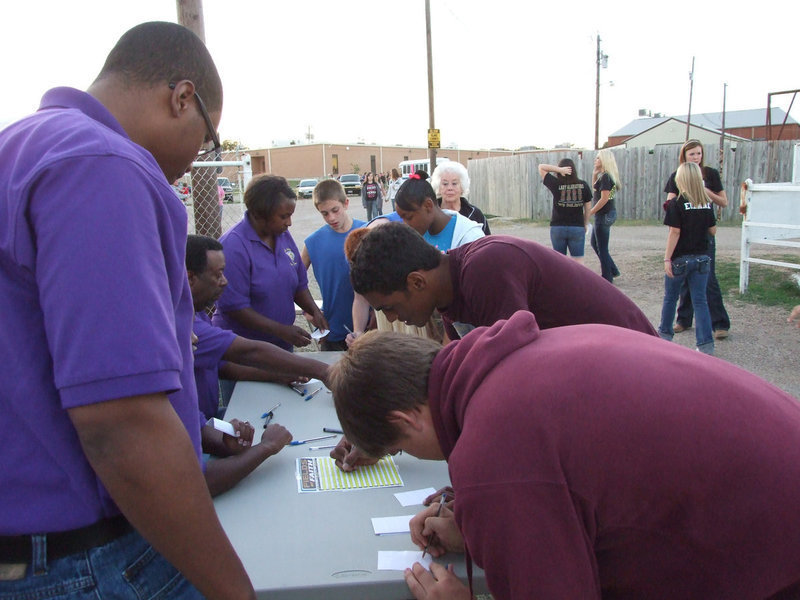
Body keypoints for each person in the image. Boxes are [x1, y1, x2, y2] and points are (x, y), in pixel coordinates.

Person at [0, 21, 254, 599]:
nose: (197, 160)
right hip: (79, 555)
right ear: (182, 98)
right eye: (208, 140)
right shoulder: (104, 163)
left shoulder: (23, 144)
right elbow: (119, 421)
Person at [328, 311, 800, 600]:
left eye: (399, 448)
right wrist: (480, 528)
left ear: (406, 420)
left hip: (775, 557)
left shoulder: (493, 448)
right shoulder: (508, 360)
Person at [348, 222, 656, 341]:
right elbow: (460, 372)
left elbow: (510, 379)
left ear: (416, 282)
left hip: (639, 363)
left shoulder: (486, 269)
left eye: (387, 307)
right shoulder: (447, 294)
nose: (389, 318)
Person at [187, 235, 330, 421]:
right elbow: (248, 352)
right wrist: (325, 372)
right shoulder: (183, 325)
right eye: (218, 274)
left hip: (208, 418)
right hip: (197, 430)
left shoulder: (196, 313)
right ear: (190, 278)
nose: (224, 281)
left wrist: (278, 375)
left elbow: (222, 366)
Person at [213, 174, 328, 351]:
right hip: (245, 352)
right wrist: (281, 331)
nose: (289, 222)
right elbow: (235, 308)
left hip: (280, 345)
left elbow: (299, 284)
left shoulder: (282, 235)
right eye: (283, 216)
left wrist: (314, 311)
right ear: (260, 214)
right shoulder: (233, 247)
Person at [664, 139, 731, 339]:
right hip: (685, 233)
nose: (696, 157)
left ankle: (719, 323)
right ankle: (683, 319)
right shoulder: (678, 175)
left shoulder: (710, 174)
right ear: (684, 155)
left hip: (703, 235)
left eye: (699, 154)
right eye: (692, 154)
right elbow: (669, 202)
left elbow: (723, 202)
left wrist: (703, 192)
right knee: (684, 276)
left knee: (708, 279)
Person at [658, 162, 717, 355]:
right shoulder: (706, 202)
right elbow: (712, 230)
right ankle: (705, 345)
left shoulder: (676, 204)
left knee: (670, 298)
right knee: (700, 301)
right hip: (701, 258)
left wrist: (667, 258)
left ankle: (664, 339)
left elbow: (674, 231)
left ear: (681, 179)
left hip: (680, 259)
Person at [300, 179, 365, 350]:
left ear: (346, 203)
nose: (331, 218)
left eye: (335, 210)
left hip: (369, 330)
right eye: (325, 213)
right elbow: (294, 280)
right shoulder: (313, 242)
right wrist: (310, 311)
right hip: (333, 332)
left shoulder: (367, 232)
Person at [395, 171, 484, 251]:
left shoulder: (470, 237)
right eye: (402, 219)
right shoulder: (417, 234)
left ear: (428, 205)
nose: (406, 224)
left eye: (409, 217)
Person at [538, 159, 592, 262]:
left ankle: (560, 278)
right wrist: (585, 223)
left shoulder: (556, 184)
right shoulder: (583, 185)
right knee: (578, 261)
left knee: (559, 261)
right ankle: (578, 278)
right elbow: (588, 207)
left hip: (558, 227)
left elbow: (541, 167)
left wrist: (559, 169)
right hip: (577, 227)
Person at [431, 161, 491, 234]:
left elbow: (487, 242)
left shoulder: (475, 214)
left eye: (454, 183)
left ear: (462, 186)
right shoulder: (431, 213)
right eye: (445, 184)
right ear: (438, 187)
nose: (450, 188)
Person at [589, 149, 621, 283]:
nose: (595, 160)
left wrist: (590, 212)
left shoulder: (606, 177)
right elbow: (595, 188)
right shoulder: (604, 176)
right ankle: (613, 270)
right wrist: (594, 174)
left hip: (603, 215)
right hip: (605, 213)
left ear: (604, 161)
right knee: (595, 243)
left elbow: (603, 199)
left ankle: (607, 277)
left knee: (601, 247)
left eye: (598, 158)